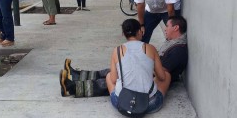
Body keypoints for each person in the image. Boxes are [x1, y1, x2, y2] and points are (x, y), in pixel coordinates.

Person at [59, 16, 188, 107]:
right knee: (111, 70)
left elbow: (162, 75)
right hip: (148, 78)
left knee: (107, 80)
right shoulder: (171, 43)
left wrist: (142, 63)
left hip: (149, 79)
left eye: (168, 26)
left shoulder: (178, 50)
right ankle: (77, 75)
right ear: (138, 32)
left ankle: (73, 88)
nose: (165, 29)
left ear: (176, 28)